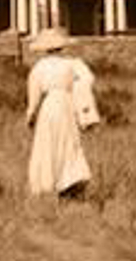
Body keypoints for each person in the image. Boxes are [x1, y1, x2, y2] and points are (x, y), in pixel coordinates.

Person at [24, 27, 97, 200]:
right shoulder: (72, 64)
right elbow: (88, 79)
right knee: (69, 143)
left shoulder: (39, 68)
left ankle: (51, 182)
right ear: (61, 47)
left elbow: (34, 97)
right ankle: (71, 181)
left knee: (49, 144)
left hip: (49, 106)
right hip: (67, 104)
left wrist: (30, 115)